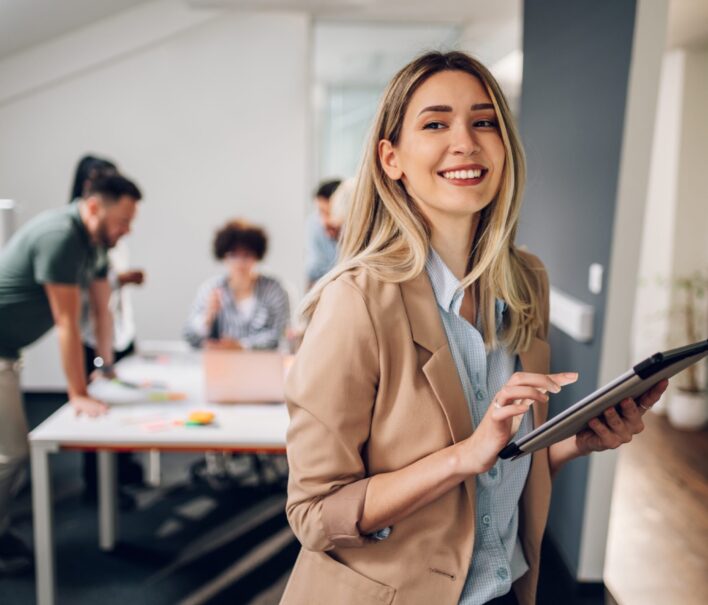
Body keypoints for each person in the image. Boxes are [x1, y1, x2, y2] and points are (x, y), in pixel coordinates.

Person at [282, 51, 668, 605]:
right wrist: (464, 453)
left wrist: (570, 443)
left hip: (504, 589)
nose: (464, 141)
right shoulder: (357, 301)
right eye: (435, 123)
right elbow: (315, 515)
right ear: (391, 158)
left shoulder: (526, 279)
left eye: (483, 121)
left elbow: (497, 473)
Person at [0, 174, 142, 574]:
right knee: (11, 453)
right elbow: (67, 323)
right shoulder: (60, 235)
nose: (127, 230)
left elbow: (100, 312)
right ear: (94, 207)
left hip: (8, 350)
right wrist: (77, 393)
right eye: (123, 220)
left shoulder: (96, 245)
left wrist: (107, 367)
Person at [69, 155, 146, 503]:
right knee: (95, 412)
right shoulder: (74, 239)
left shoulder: (105, 241)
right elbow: (77, 313)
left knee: (122, 407)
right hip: (92, 336)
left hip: (116, 333)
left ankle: (121, 474)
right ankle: (98, 488)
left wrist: (109, 360)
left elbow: (104, 307)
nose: (127, 229)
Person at [184, 219, 290, 350]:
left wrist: (241, 346)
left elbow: (278, 335)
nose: (240, 263)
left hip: (262, 365)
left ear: (257, 256)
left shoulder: (274, 290)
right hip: (221, 365)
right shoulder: (211, 289)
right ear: (224, 257)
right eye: (233, 255)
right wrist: (207, 318)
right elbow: (189, 336)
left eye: (247, 255)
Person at [305, 179, 341, 287]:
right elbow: (313, 271)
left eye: (329, 213)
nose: (324, 222)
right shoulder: (314, 224)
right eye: (321, 212)